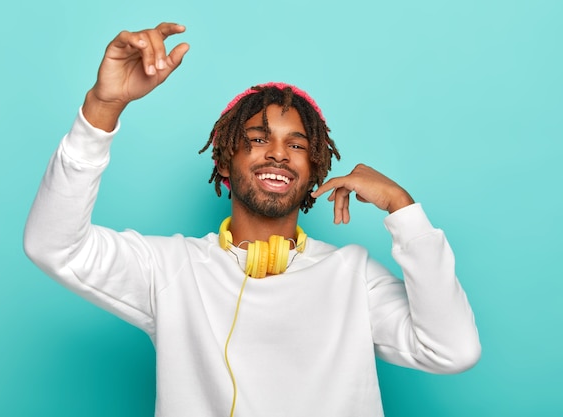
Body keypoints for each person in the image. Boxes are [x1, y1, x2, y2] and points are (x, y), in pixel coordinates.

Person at [24, 22, 480, 417]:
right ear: (225, 160)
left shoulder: (353, 276)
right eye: (258, 138)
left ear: (315, 168)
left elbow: (453, 349)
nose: (278, 153)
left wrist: (404, 208)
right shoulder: (168, 269)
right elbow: (53, 245)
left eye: (297, 145)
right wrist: (102, 108)